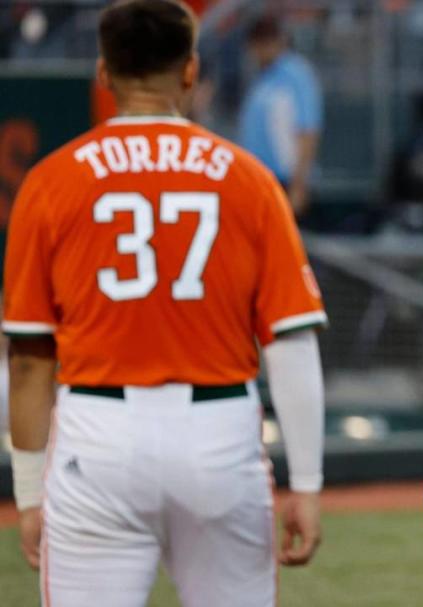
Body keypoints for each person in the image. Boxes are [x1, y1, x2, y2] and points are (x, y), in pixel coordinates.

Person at [3, 2, 327, 605]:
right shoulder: (248, 178)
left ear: (103, 73)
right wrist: (306, 483)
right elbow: (292, 342)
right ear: (189, 71)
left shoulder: (50, 181)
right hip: (219, 435)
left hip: (98, 437)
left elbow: (27, 360)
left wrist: (28, 494)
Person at [239, 13, 322, 219]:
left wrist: (299, 184)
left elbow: (308, 130)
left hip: (284, 179)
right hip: (262, 178)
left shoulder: (296, 74)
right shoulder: (264, 76)